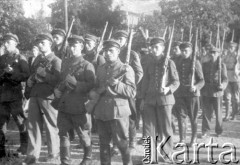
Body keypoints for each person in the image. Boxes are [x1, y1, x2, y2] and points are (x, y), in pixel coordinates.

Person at [92, 39, 136, 165]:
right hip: (101, 111)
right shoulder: (100, 68)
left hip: (118, 111)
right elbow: (96, 87)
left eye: (111, 50)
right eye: (105, 51)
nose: (107, 53)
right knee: (103, 144)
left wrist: (118, 85)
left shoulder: (126, 69)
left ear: (118, 52)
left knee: (122, 143)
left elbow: (132, 92)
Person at [54, 35, 95, 165]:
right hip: (64, 104)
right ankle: (65, 161)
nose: (72, 48)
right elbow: (60, 80)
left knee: (82, 134)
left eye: (75, 46)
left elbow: (92, 85)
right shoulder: (65, 62)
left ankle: (88, 158)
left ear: (81, 47)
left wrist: (77, 84)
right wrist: (56, 89)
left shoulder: (87, 65)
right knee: (63, 133)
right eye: (70, 45)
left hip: (79, 105)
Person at [22, 33, 61, 164]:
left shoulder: (56, 60)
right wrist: (30, 79)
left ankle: (53, 155)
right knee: (32, 125)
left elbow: (59, 80)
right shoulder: (37, 59)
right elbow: (33, 74)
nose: (40, 45)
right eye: (39, 43)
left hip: (48, 97)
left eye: (43, 43)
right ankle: (32, 155)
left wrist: (45, 75)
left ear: (50, 44)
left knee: (51, 127)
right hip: (35, 95)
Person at [140, 37, 180, 163]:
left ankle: (167, 154)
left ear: (163, 48)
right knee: (148, 129)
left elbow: (176, 81)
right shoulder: (148, 63)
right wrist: (142, 98)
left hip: (165, 100)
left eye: (156, 47)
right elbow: (145, 82)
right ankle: (149, 156)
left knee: (165, 129)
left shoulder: (169, 62)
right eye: (152, 47)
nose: (153, 49)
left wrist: (168, 89)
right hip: (150, 100)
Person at [113, 30, 143, 151]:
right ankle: (116, 142)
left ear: (126, 40)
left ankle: (132, 140)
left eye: (122, 39)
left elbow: (139, 72)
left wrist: (130, 85)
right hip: (114, 89)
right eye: (118, 39)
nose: (119, 41)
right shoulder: (113, 52)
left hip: (127, 89)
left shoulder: (132, 53)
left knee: (130, 115)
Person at [0, 33, 30, 157]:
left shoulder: (21, 57)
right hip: (2, 95)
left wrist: (12, 74)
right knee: (1, 123)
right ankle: (1, 150)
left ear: (15, 43)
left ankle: (24, 147)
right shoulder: (1, 59)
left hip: (15, 95)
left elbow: (26, 75)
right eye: (4, 42)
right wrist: (3, 73)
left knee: (20, 121)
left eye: (8, 42)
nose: (5, 44)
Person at [174, 42, 205, 145]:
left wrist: (195, 87)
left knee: (193, 117)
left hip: (192, 95)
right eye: (182, 50)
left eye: (186, 51)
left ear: (191, 51)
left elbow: (202, 80)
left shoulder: (195, 62)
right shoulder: (177, 61)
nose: (183, 53)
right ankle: (182, 139)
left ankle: (194, 138)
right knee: (181, 117)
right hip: (180, 94)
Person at [201, 47, 228, 137]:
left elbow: (225, 79)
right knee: (206, 113)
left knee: (218, 113)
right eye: (211, 53)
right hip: (206, 91)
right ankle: (205, 131)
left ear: (218, 54)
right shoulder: (205, 64)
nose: (212, 55)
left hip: (217, 92)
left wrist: (223, 86)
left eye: (214, 53)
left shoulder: (222, 65)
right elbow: (202, 78)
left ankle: (219, 131)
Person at [84, 33, 105, 134]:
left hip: (96, 89)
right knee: (86, 115)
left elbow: (103, 74)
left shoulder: (99, 58)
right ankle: (87, 139)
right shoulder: (84, 56)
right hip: (86, 88)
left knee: (96, 115)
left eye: (89, 43)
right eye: (85, 43)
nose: (86, 45)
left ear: (94, 45)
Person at [223, 41, 240, 120]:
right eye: (229, 47)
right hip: (227, 77)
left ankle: (234, 114)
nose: (230, 49)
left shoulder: (238, 56)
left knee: (236, 98)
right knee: (227, 97)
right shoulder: (226, 56)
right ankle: (227, 115)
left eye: (232, 47)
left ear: (235, 48)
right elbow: (222, 64)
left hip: (236, 78)